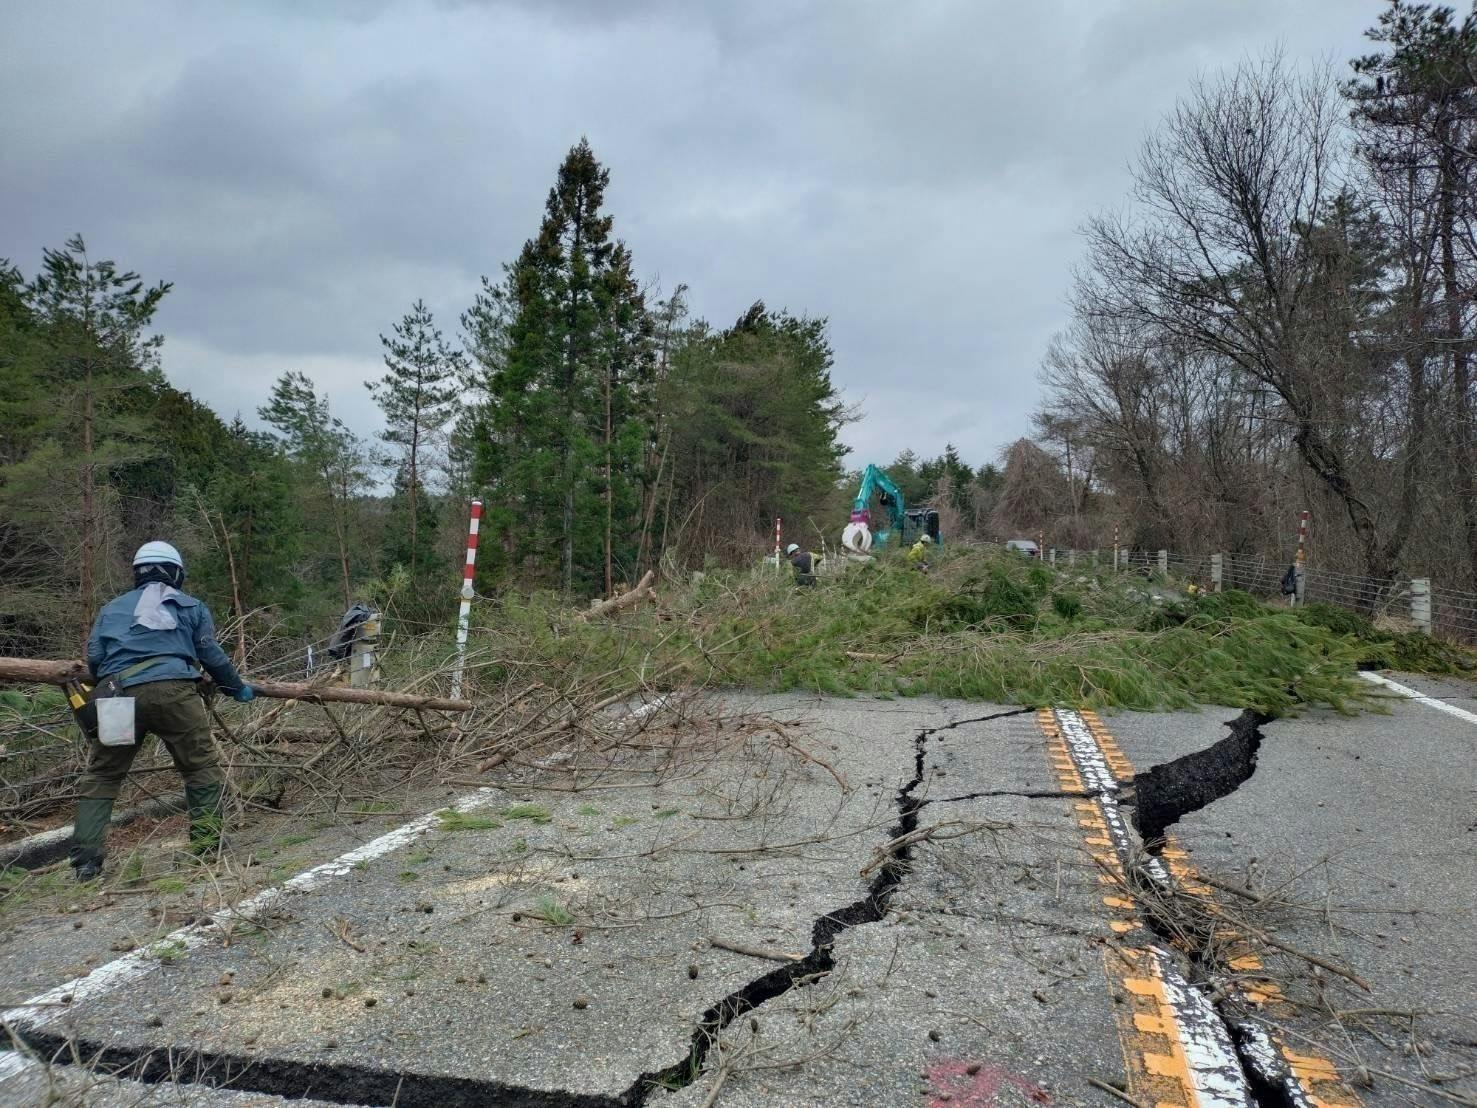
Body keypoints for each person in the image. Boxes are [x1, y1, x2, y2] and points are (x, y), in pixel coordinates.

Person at [70, 541, 255, 881]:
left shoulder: (111, 609)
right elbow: (210, 654)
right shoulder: (191, 606)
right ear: (176, 573)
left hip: (118, 695)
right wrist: (235, 687)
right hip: (175, 693)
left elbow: (95, 658)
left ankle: (86, 862)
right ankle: (206, 846)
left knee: (103, 776)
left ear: (137, 573)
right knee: (199, 768)